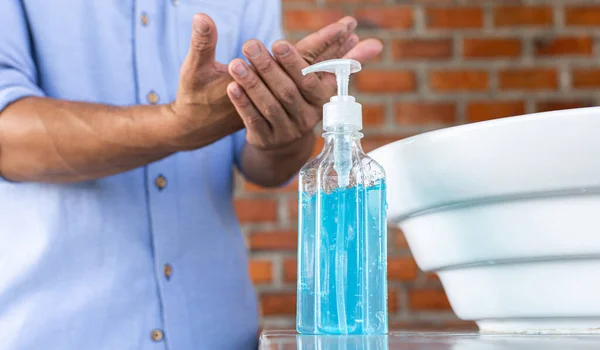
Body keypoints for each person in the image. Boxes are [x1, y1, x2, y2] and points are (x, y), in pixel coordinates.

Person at [0, 1, 381, 349]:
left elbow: (266, 164)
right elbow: (7, 139)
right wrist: (178, 126)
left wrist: (286, 122)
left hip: (220, 335)